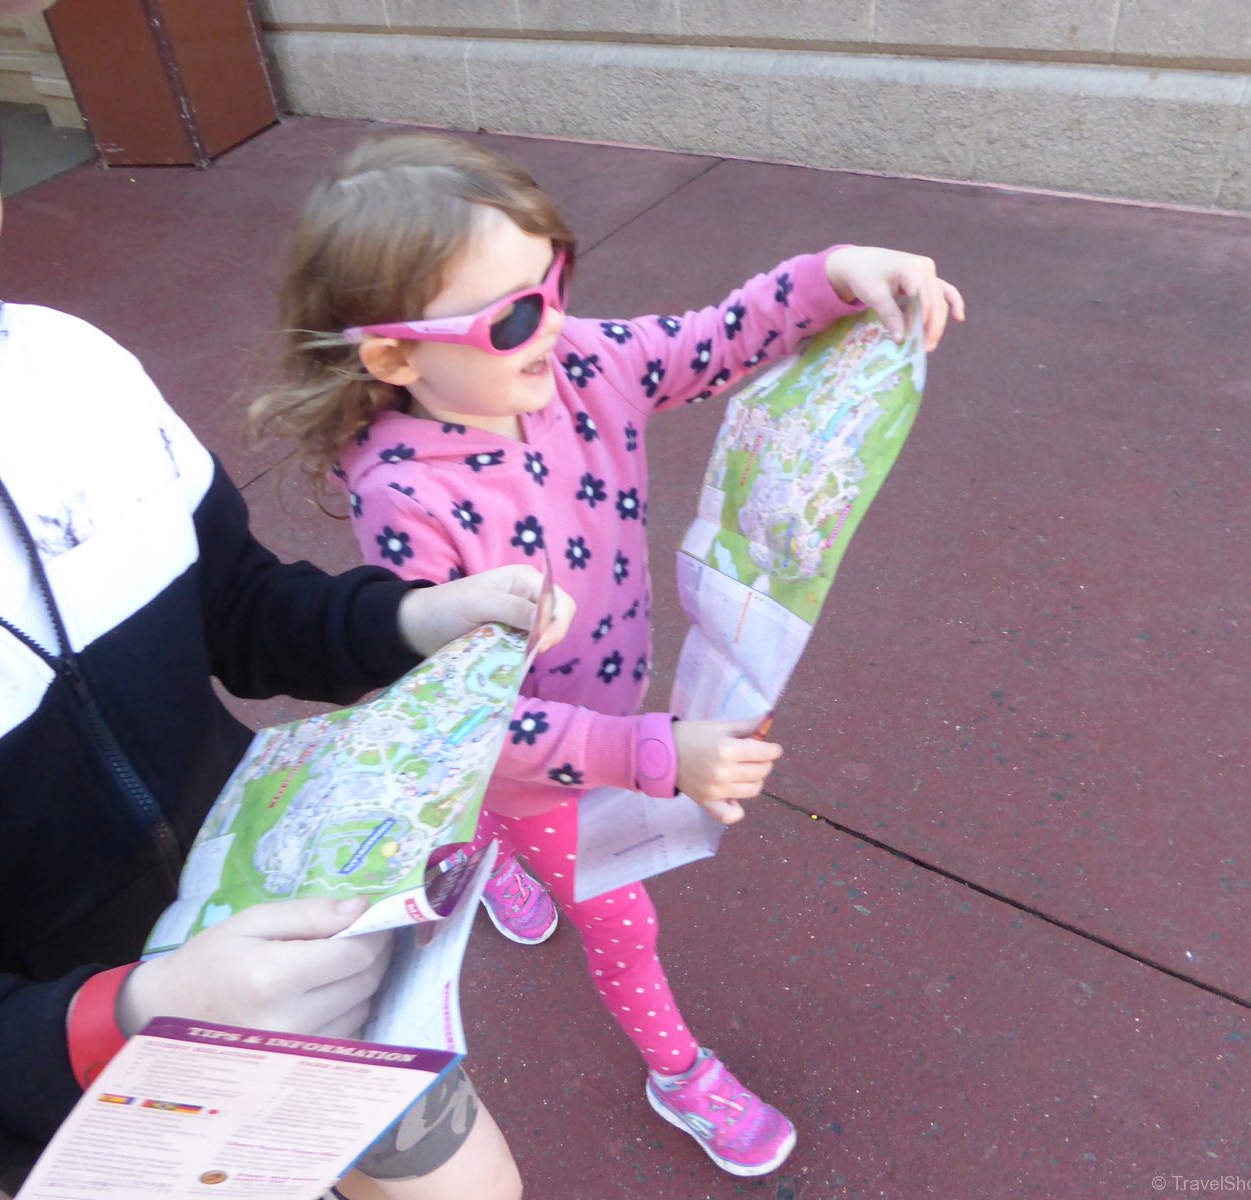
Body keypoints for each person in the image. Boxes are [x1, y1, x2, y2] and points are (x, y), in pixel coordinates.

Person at [0, 7, 570, 1199]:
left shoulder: (64, 373)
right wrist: (138, 1015)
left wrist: (406, 624)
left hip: (306, 962)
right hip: (70, 1110)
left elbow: (234, 603)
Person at [249, 133, 965, 1178]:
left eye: (556, 278)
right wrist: (655, 755)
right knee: (622, 924)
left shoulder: (579, 361)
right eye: (511, 315)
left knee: (500, 823)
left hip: (593, 708)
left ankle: (493, 851)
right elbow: (467, 717)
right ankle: (678, 1071)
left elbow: (714, 340)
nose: (551, 319)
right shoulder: (407, 497)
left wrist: (836, 274)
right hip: (536, 756)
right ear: (397, 359)